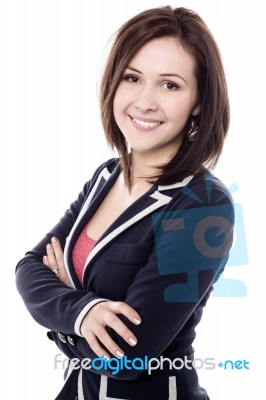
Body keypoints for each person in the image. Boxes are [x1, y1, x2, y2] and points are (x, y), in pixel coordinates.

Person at [15, 6, 234, 400]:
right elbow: (28, 269)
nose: (144, 101)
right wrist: (85, 313)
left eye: (170, 85)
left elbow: (127, 356)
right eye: (133, 78)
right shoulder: (107, 176)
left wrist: (66, 310)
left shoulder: (202, 204)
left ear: (199, 100)